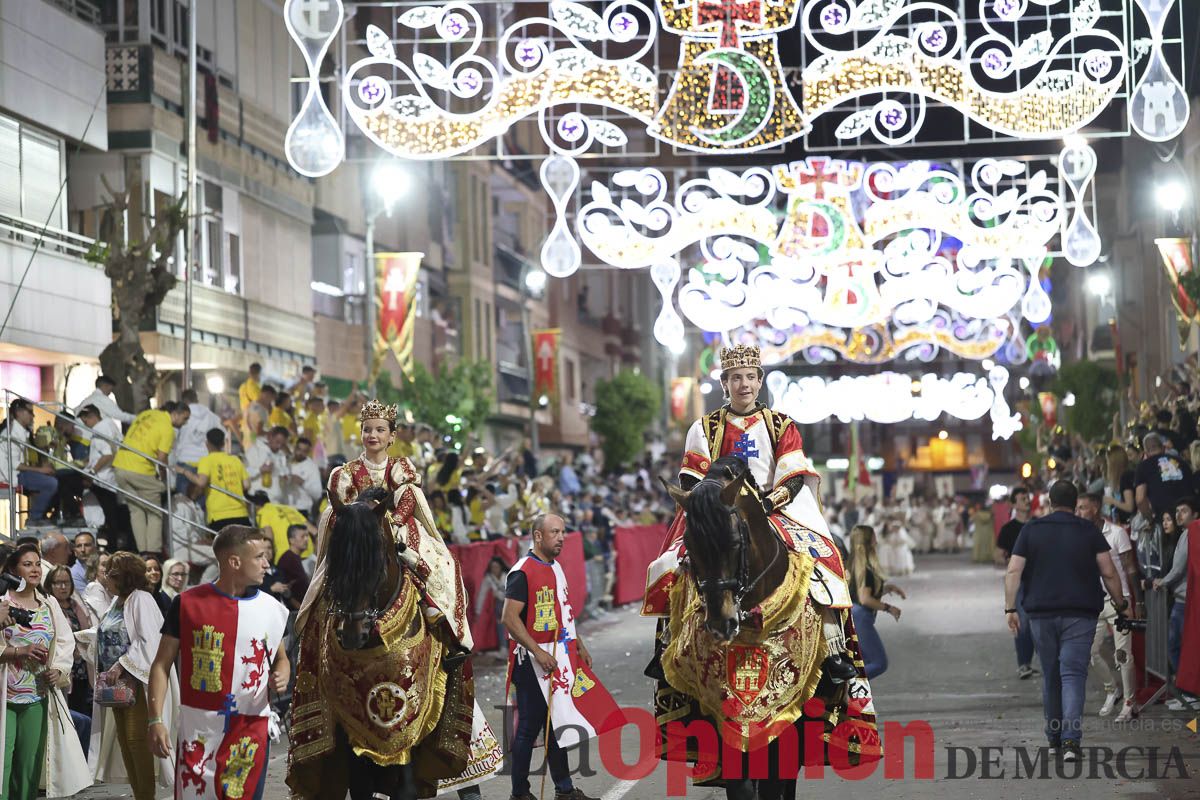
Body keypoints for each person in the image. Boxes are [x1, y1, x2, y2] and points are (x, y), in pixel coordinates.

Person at [291, 400, 502, 799]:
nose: (373, 436)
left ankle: (441, 620)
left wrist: (389, 518)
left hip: (391, 529)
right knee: (327, 582)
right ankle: (314, 639)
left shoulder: (401, 467)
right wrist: (357, 517)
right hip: (354, 536)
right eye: (367, 429)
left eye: (379, 430)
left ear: (391, 435)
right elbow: (337, 506)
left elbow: (407, 501)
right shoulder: (344, 472)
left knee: (434, 562)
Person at [147, 526, 289, 800]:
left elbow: (281, 659)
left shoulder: (272, 609)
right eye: (259, 556)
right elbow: (161, 665)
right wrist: (155, 720)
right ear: (234, 562)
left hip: (250, 728)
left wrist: (281, 674)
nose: (266, 563)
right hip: (198, 730)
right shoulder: (187, 604)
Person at [1004, 480, 1129, 761]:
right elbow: (1108, 572)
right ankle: (1071, 741)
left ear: (1049, 502)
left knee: (1050, 674)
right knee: (1073, 674)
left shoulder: (1031, 529)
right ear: (1075, 505)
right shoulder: (1089, 530)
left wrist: (1010, 608)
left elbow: (1013, 571)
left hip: (1041, 613)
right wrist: (1121, 604)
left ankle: (1054, 738)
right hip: (1080, 613)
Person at [503, 515, 603, 800]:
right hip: (532, 662)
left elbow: (564, 613)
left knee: (556, 725)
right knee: (528, 729)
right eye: (554, 532)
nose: (561, 537)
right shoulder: (522, 571)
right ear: (537, 536)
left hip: (559, 658)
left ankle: (565, 790)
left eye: (563, 532)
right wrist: (537, 651)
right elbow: (509, 619)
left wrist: (579, 645)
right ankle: (519, 793)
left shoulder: (556, 567)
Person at [0, 542, 90, 798]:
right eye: (27, 564)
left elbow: (64, 641)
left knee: (29, 766)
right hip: (4, 695)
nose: (35, 569)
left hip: (37, 695)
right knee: (2, 765)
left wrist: (59, 670)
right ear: (13, 570)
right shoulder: (2, 603)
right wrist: (20, 651)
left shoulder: (48, 603)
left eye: (38, 563)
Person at [85, 552, 177, 799]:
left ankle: (146, 795)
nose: (106, 578)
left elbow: (148, 640)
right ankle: (139, 795)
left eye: (110, 574)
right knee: (125, 744)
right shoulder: (117, 602)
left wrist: (120, 666)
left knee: (138, 742)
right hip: (117, 687)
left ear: (122, 577)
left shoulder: (141, 599)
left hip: (138, 684)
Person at [1076, 492, 1140, 723]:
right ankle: (1112, 690)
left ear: (1095, 508)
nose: (1079, 512)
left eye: (1083, 507)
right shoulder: (1080, 536)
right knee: (1090, 652)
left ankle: (1129, 704)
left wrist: (1137, 601)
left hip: (1119, 600)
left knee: (1123, 654)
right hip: (1094, 602)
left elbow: (1130, 567)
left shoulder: (1116, 533)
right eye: (1077, 508)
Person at [113, 401, 191, 553]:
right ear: (176, 414)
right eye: (185, 418)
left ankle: (142, 552)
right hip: (140, 469)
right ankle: (153, 553)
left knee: (136, 511)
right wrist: (164, 477)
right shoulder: (167, 428)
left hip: (120, 466)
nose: (185, 423)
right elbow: (162, 458)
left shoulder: (145, 414)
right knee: (155, 512)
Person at [847, 525, 905, 679]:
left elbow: (859, 591)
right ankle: (847, 686)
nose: (876, 541)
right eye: (873, 537)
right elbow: (865, 599)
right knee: (879, 663)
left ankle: (854, 695)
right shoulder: (865, 569)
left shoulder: (852, 564)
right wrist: (889, 608)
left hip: (854, 615)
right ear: (867, 541)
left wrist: (886, 589)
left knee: (864, 662)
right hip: (861, 617)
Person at [45, 565, 92, 750]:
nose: (63, 587)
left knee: (81, 713)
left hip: (82, 669)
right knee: (69, 716)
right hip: (64, 671)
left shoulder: (76, 605)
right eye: (58, 582)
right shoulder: (48, 605)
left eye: (66, 582)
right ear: (50, 584)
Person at [995, 487, 1039, 680]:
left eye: (1027, 498)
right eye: (1022, 499)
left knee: (1038, 623)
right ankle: (1024, 664)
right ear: (1013, 504)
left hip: (1040, 579)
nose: (1027, 502)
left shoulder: (1038, 524)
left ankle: (1034, 661)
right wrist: (1011, 563)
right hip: (1020, 581)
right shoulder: (1008, 529)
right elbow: (998, 555)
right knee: (1022, 623)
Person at [175, 428, 251, 530]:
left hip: (219, 515)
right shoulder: (235, 460)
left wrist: (184, 471)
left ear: (207, 443)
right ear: (223, 443)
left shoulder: (207, 461)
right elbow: (246, 485)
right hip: (241, 513)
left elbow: (201, 482)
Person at [1134, 433, 1192, 564]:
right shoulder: (1181, 462)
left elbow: (1140, 499)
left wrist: (1150, 518)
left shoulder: (1143, 466)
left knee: (1172, 562)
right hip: (1190, 517)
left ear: (1146, 452)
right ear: (1163, 448)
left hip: (1165, 520)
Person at [0, 399, 58, 524]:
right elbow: (14, 464)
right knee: (51, 483)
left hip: (16, 472)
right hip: (9, 475)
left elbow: (24, 459)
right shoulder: (11, 433)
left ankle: (46, 514)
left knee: (55, 476)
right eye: (30, 412)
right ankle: (35, 517)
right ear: (19, 413)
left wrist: (40, 467)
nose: (33, 416)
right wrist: (40, 469)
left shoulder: (21, 432)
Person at [76, 405, 123, 544]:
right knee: (112, 514)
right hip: (110, 476)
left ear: (92, 417)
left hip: (104, 478)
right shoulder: (109, 425)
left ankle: (113, 544)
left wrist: (92, 471)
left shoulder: (100, 429)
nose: (86, 425)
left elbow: (107, 455)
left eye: (85, 421)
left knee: (111, 515)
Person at [171, 389, 223, 498]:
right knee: (203, 501)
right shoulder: (212, 416)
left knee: (183, 501)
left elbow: (173, 438)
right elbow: (223, 436)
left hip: (184, 462)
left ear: (183, 401)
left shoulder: (180, 416)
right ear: (197, 399)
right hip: (205, 464)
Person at [250, 492, 313, 566]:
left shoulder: (263, 511)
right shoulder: (289, 508)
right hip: (308, 555)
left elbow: (268, 536)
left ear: (256, 506)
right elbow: (313, 530)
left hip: (286, 557)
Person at [245, 425, 291, 504]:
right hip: (258, 499)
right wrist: (260, 470)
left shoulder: (282, 455)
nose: (279, 446)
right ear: (270, 437)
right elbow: (244, 473)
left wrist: (286, 478)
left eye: (282, 444)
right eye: (277, 442)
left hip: (277, 501)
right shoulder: (255, 450)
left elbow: (287, 477)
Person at [475, 556, 509, 654]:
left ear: (501, 567)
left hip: (510, 602)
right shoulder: (489, 578)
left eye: (496, 567)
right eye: (492, 567)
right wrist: (478, 610)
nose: (495, 570)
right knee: (500, 625)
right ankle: (503, 647)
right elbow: (482, 593)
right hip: (499, 603)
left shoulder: (507, 575)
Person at [284, 436, 323, 514]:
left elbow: (317, 494)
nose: (300, 453)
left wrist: (303, 483)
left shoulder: (312, 467)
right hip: (284, 507)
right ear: (295, 448)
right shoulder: (286, 462)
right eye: (299, 449)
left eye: (304, 451)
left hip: (301, 510)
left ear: (308, 452)